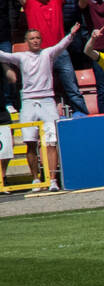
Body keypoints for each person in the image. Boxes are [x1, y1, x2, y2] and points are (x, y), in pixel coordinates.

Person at [0, 24, 81, 186]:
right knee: (30, 142)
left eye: (38, 38)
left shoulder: (47, 53)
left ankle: (52, 180)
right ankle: (36, 179)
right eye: (32, 39)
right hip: (29, 102)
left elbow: (61, 46)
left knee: (51, 141)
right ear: (26, 42)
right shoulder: (21, 57)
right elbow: (3, 56)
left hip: (47, 101)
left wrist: (71, 35)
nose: (35, 41)